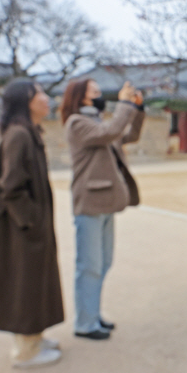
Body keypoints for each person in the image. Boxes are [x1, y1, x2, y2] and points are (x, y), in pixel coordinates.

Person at [0, 79, 64, 369]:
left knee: (36, 281)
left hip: (30, 227)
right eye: (39, 93)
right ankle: (26, 351)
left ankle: (35, 336)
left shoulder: (29, 133)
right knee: (25, 283)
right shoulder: (18, 135)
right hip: (21, 229)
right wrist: (31, 220)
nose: (46, 98)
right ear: (25, 101)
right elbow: (11, 187)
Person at [61, 79, 145, 340]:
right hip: (89, 203)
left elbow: (127, 135)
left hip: (105, 202)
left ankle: (93, 315)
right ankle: (85, 324)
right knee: (89, 265)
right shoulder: (77, 123)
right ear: (81, 98)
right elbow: (111, 132)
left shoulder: (99, 123)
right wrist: (124, 104)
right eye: (95, 93)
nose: (100, 97)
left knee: (103, 262)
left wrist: (138, 110)